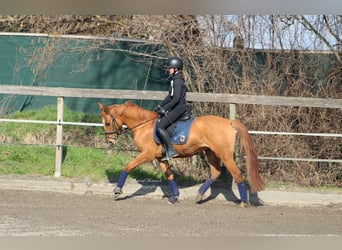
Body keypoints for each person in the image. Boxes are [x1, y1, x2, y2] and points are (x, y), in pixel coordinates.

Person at [153, 56, 191, 161]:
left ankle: (170, 149)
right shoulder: (175, 79)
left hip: (179, 108)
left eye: (170, 68)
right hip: (176, 107)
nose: (168, 70)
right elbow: (170, 96)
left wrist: (165, 109)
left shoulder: (178, 81)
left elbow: (176, 99)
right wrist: (160, 105)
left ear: (176, 68)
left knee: (160, 126)